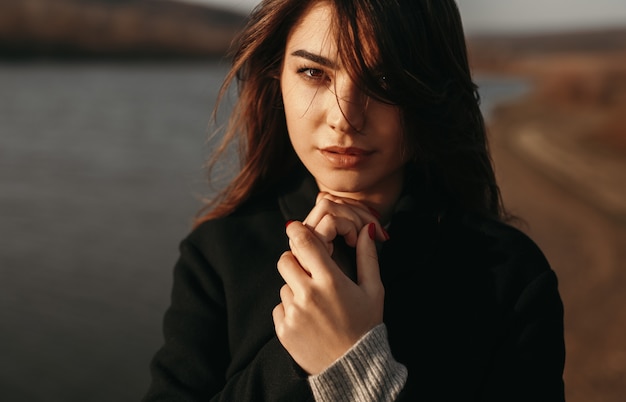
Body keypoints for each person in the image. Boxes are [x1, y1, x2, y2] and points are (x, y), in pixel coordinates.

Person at [143, 0, 566, 400]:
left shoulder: (510, 276)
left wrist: (359, 371)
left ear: (434, 93)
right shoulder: (216, 255)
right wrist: (296, 362)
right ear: (276, 80)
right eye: (314, 73)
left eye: (384, 81)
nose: (345, 117)